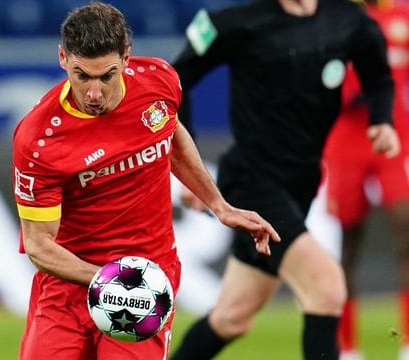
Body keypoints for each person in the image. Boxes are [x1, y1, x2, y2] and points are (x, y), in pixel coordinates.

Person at [12, 2, 280, 360]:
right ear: (63, 58)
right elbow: (39, 245)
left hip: (145, 279)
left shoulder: (159, 81)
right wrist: (109, 281)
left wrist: (219, 205)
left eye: (106, 75)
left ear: (126, 58)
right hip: (67, 288)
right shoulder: (39, 140)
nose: (93, 93)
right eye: (82, 75)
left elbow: (171, 133)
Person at [169, 0, 399, 359]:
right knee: (326, 287)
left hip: (301, 183)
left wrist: (381, 121)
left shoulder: (349, 19)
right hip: (252, 181)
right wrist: (189, 166)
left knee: (233, 317)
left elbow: (379, 77)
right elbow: (174, 80)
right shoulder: (235, 23)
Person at [322, 1, 409, 359]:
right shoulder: (337, 18)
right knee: (347, 247)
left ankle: (406, 342)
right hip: (346, 139)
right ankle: (348, 348)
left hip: (393, 136)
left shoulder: (403, 14)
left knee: (407, 233)